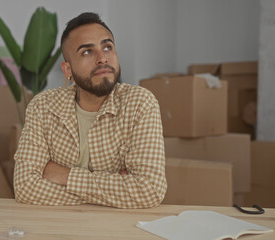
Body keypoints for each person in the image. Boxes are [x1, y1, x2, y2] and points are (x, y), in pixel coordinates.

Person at [13, 12, 167, 209]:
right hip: (56, 227)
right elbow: (25, 187)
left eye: (107, 47)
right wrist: (113, 191)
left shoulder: (140, 103)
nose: (102, 58)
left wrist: (65, 175)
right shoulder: (43, 106)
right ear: (68, 70)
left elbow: (149, 190)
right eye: (87, 51)